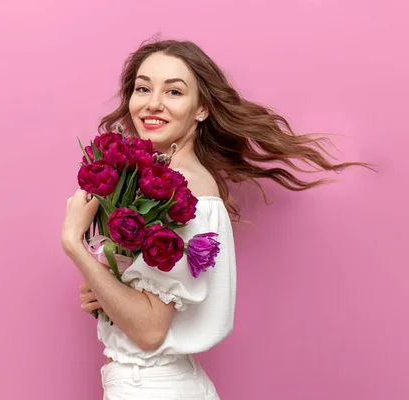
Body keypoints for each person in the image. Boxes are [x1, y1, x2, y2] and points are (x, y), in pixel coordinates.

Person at [61, 39, 370, 399]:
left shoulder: (182, 192)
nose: (153, 103)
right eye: (143, 88)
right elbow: (147, 309)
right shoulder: (168, 179)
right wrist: (106, 287)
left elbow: (149, 332)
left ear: (202, 108)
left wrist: (74, 244)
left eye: (174, 91)